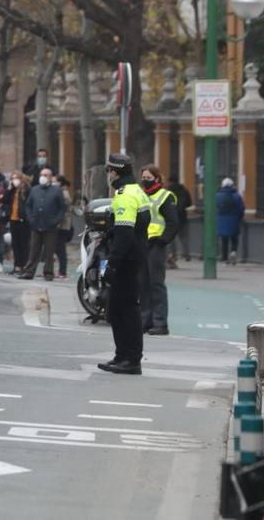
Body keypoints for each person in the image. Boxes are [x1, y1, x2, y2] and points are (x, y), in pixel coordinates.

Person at [98, 153, 151, 375]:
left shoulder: (124, 195)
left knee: (125, 311)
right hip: (135, 258)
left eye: (109, 170)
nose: (108, 174)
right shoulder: (137, 191)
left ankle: (130, 359)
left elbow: (124, 234)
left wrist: (112, 264)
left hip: (126, 261)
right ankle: (123, 356)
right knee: (121, 309)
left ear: (115, 171)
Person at [138, 165, 177, 337]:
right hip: (142, 244)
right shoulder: (141, 196)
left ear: (157, 178)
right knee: (143, 284)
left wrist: (162, 241)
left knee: (156, 285)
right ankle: (145, 321)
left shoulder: (165, 196)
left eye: (148, 178)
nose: (145, 181)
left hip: (156, 245)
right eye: (143, 178)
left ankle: (160, 323)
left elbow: (173, 222)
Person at [18, 167, 67, 280]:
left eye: (45, 175)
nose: (43, 177)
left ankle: (48, 272)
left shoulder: (57, 190)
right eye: (41, 175)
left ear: (50, 177)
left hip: (50, 226)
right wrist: (30, 218)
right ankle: (29, 271)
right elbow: (29, 205)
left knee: (49, 251)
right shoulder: (35, 189)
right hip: (36, 224)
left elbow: (62, 208)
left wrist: (56, 220)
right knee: (34, 249)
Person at [4, 171, 31, 273]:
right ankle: (17, 266)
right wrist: (9, 189)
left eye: (17, 178)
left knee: (23, 244)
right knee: (15, 244)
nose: (15, 180)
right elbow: (5, 200)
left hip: (23, 221)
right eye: (13, 178)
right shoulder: (12, 190)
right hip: (13, 219)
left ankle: (24, 265)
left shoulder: (26, 190)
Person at [216, 178, 246, 264]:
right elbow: (241, 208)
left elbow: (215, 208)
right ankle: (233, 252)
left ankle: (224, 257)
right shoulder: (236, 195)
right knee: (234, 238)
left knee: (224, 239)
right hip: (234, 219)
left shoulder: (218, 195)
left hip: (221, 220)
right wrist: (239, 217)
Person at [166, 176, 193, 267]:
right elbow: (189, 203)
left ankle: (173, 255)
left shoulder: (168, 192)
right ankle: (186, 254)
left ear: (170, 182)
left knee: (171, 238)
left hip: (171, 216)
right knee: (184, 237)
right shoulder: (184, 190)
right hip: (183, 216)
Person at [53, 175, 76, 278]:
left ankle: (62, 272)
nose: (52, 183)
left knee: (60, 249)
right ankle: (60, 271)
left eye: (55, 181)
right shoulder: (60, 191)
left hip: (62, 226)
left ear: (60, 183)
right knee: (57, 248)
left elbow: (63, 210)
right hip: (60, 225)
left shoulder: (63, 193)